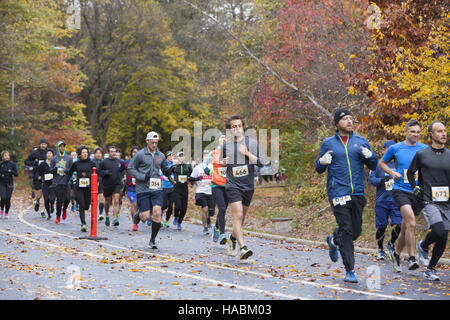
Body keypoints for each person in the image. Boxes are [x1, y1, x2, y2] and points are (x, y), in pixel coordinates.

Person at [315, 108, 378, 283]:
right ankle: (350, 270)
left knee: (355, 231)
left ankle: (334, 240)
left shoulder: (361, 141)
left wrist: (371, 156)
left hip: (357, 191)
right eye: (345, 119)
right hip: (338, 192)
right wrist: (321, 162)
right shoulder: (328, 143)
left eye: (351, 118)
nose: (350, 121)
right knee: (347, 229)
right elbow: (319, 169)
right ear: (337, 123)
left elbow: (374, 165)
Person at [379, 119, 427, 272]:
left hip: (417, 192)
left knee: (406, 227)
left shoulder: (425, 149)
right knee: (411, 223)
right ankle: (412, 258)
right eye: (413, 131)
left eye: (418, 132)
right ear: (406, 132)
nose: (415, 134)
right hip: (400, 190)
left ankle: (396, 253)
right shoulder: (395, 148)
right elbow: (382, 163)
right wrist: (392, 172)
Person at [407, 121, 449, 281]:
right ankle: (424, 245)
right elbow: (411, 173)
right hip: (428, 199)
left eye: (444, 131)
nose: (443, 134)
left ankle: (430, 269)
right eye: (439, 131)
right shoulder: (422, 154)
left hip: (446, 201)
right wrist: (414, 187)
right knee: (438, 230)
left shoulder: (449, 155)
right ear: (431, 134)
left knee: (443, 236)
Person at [221, 115, 267, 260]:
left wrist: (247, 153)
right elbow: (223, 163)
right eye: (233, 126)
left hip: (248, 186)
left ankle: (233, 238)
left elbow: (260, 163)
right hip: (232, 185)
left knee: (242, 219)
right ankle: (243, 248)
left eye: (239, 125)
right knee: (238, 215)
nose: (236, 128)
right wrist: (223, 163)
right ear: (230, 129)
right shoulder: (226, 145)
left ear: (243, 127)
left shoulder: (251, 143)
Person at [128, 131, 174, 249]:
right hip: (143, 188)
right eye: (152, 142)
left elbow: (164, 168)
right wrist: (142, 177)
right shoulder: (139, 154)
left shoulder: (161, 155)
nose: (154, 145)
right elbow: (131, 169)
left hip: (156, 187)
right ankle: (139, 214)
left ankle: (152, 240)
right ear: (147, 141)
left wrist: (170, 173)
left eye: (156, 143)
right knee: (145, 216)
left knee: (158, 212)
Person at [369, 140, 402, 260]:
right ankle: (380, 249)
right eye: (388, 149)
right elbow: (371, 179)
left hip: (396, 201)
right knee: (381, 227)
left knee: (399, 225)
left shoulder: (400, 164)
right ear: (383, 150)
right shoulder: (377, 164)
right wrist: (381, 180)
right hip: (381, 201)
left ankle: (391, 243)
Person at [203, 132, 228, 244]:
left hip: (228, 185)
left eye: (226, 138)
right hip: (216, 184)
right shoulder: (214, 153)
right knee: (221, 208)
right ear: (218, 140)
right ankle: (222, 234)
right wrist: (208, 171)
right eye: (222, 137)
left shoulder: (230, 153)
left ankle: (217, 228)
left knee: (223, 210)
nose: (224, 139)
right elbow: (204, 163)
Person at [68, 145, 96, 232]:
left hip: (88, 188)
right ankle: (83, 223)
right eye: (83, 152)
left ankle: (83, 216)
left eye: (86, 152)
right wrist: (66, 182)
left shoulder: (92, 163)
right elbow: (70, 173)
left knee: (86, 206)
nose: (85, 154)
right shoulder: (76, 163)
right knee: (81, 205)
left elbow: (97, 174)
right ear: (79, 154)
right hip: (79, 187)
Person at [98, 146, 124, 227]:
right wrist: (106, 172)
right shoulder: (104, 162)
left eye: (114, 151)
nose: (113, 153)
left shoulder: (120, 161)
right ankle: (107, 216)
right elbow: (99, 172)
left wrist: (122, 177)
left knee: (116, 200)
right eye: (112, 152)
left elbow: (123, 170)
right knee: (107, 201)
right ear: (108, 153)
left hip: (117, 184)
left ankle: (115, 218)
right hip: (107, 184)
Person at [167, 152, 193, 230]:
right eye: (180, 157)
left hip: (185, 188)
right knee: (178, 205)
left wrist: (189, 179)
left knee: (184, 208)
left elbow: (191, 174)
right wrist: (172, 181)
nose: (182, 158)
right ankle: (175, 216)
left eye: (183, 156)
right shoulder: (174, 167)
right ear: (177, 158)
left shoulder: (188, 167)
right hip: (176, 188)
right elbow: (167, 174)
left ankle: (179, 222)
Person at [191, 150, 214, 235]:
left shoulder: (213, 167)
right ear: (202, 158)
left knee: (211, 212)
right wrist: (198, 178)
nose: (206, 158)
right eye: (205, 156)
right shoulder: (198, 167)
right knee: (205, 209)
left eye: (208, 156)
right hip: (201, 191)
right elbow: (191, 178)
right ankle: (205, 227)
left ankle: (208, 218)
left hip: (211, 192)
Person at [50, 141, 73, 223]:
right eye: (60, 146)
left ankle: (64, 209)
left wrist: (66, 170)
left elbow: (71, 170)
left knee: (67, 199)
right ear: (57, 148)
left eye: (63, 146)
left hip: (66, 182)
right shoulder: (54, 159)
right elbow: (51, 171)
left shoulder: (69, 158)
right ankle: (58, 217)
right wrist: (56, 168)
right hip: (57, 182)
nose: (62, 148)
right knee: (59, 200)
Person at [24, 138, 49, 215]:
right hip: (37, 174)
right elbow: (26, 161)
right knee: (39, 194)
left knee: (45, 194)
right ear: (40, 144)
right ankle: (37, 201)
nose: (43, 146)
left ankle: (43, 211)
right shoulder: (34, 153)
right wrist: (34, 163)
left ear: (46, 145)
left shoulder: (48, 153)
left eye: (45, 144)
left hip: (46, 175)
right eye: (42, 144)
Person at [120, 146, 140, 231]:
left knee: (139, 205)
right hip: (130, 187)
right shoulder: (126, 163)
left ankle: (142, 216)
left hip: (141, 187)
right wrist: (121, 178)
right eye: (134, 152)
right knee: (134, 204)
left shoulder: (143, 163)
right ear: (131, 153)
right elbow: (118, 170)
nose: (135, 153)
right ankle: (135, 223)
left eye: (137, 152)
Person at [38, 149, 56, 220]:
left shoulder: (55, 163)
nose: (49, 154)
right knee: (46, 199)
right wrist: (40, 177)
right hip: (45, 184)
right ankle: (48, 214)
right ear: (46, 155)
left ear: (52, 155)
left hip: (53, 184)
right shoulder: (42, 164)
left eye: (50, 153)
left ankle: (52, 205)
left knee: (51, 200)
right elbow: (39, 173)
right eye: (47, 153)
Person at [0, 151, 18, 219]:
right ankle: (1, 210)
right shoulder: (1, 164)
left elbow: (16, 174)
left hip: (10, 184)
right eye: (5, 155)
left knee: (8, 199)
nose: (7, 156)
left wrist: (11, 172)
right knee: (3, 198)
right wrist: (1, 175)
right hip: (2, 183)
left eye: (8, 155)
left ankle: (6, 213)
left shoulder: (12, 164)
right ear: (2, 157)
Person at [161, 151, 176, 228]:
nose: (171, 157)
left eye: (172, 155)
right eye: (169, 155)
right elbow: (160, 173)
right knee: (164, 205)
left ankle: (166, 220)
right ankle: (158, 219)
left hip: (172, 188)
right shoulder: (164, 164)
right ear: (167, 157)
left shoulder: (174, 165)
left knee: (170, 206)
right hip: (164, 187)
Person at [92, 148, 106, 222]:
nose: (98, 154)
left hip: (101, 181)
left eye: (100, 153)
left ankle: (100, 213)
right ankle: (93, 213)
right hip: (93, 181)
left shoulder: (104, 162)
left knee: (101, 197)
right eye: (97, 153)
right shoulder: (92, 162)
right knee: (94, 198)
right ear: (94, 154)